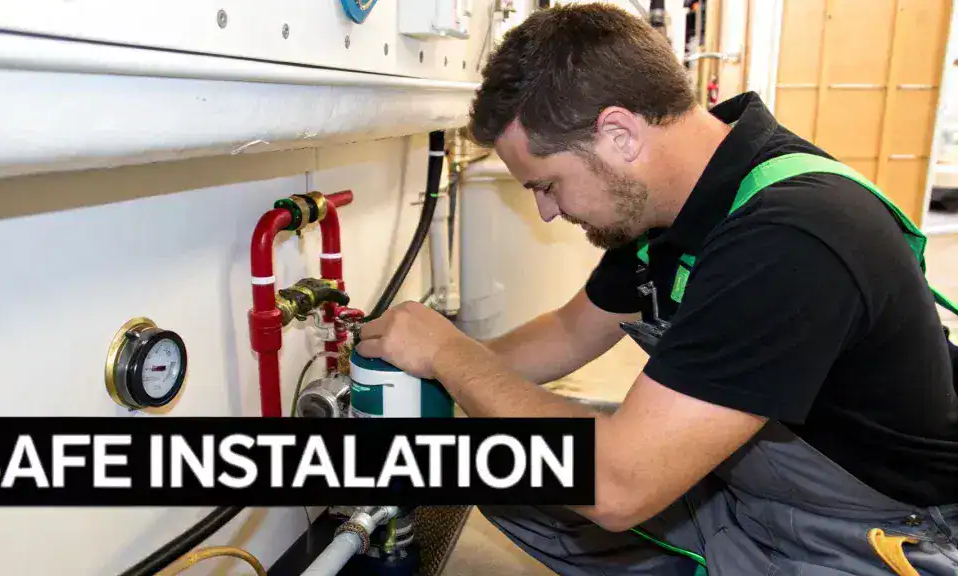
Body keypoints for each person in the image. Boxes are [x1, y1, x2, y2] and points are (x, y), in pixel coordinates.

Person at [356, 3, 958, 574]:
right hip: (749, 483)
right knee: (494, 462)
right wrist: (429, 378)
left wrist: (451, 354)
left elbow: (620, 486)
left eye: (546, 184)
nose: (545, 211)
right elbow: (570, 331)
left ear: (618, 134)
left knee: (592, 474)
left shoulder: (791, 236)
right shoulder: (669, 203)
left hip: (876, 532)